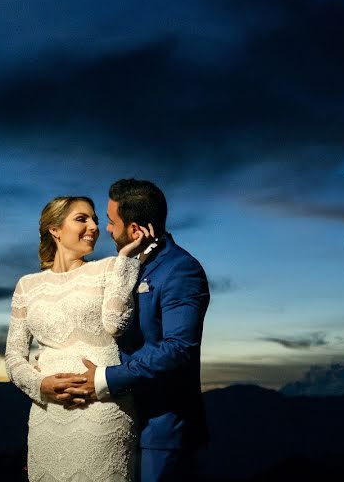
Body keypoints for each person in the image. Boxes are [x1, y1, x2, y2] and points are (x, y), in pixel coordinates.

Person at [63, 179, 211, 482]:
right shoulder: (125, 266)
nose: (105, 229)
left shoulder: (181, 270)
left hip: (161, 433)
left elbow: (177, 348)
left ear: (134, 229)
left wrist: (105, 378)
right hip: (117, 425)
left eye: (111, 221)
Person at [5, 196, 152, 481]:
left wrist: (125, 260)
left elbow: (116, 324)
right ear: (55, 229)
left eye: (96, 219)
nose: (94, 226)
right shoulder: (27, 285)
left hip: (101, 408)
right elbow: (13, 356)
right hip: (47, 412)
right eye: (82, 219)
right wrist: (40, 384)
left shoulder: (109, 267)